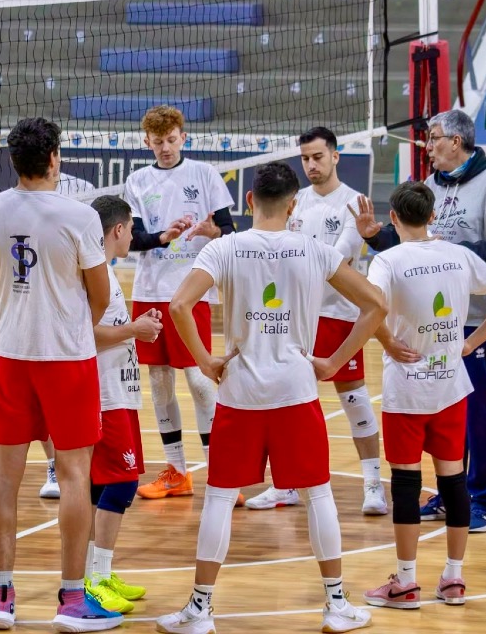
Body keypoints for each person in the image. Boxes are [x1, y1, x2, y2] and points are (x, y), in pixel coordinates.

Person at [157, 162, 384, 634]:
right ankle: (336, 605)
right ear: (294, 205)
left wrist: (203, 361)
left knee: (219, 498)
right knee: (317, 495)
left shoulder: (224, 247)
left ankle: (200, 610)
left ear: (248, 202)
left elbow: (179, 305)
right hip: (296, 392)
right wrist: (334, 363)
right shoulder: (314, 249)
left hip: (239, 392)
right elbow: (376, 304)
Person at [0, 117, 121, 631]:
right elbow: (100, 296)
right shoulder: (79, 215)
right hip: (66, 359)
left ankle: (0, 597)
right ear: (55, 158)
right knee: (76, 473)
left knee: (3, 475)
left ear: (13, 161)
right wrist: (71, 322)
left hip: (12, 355)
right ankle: (72, 599)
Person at [354, 108, 486, 532]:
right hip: (429, 322)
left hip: (473, 320)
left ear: (458, 140)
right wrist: (376, 235)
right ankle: (454, 495)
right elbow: (413, 243)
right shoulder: (430, 186)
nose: (426, 147)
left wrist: (458, 255)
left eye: (433, 138)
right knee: (445, 410)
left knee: (479, 409)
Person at [361, 182, 486, 608]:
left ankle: (407, 582)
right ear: (432, 216)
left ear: (393, 219)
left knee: (406, 486)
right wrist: (473, 343)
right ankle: (453, 579)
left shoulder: (388, 260)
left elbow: (370, 308)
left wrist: (388, 343)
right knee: (454, 484)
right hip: (451, 388)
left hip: (406, 392)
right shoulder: (460, 254)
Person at [248, 126, 385, 515]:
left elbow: (336, 258)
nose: (311, 165)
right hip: (295, 317)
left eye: (318, 157)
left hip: (338, 313)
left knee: (355, 399)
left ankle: (373, 486)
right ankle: (286, 484)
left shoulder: (354, 203)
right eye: (305, 158)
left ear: (336, 156)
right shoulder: (295, 202)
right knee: (287, 400)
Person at [124, 105, 236, 501]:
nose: (166, 148)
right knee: (158, 382)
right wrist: (161, 237)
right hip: (150, 291)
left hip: (192, 291)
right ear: (147, 143)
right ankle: (176, 470)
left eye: (172, 141)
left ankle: (223, 472)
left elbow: (230, 230)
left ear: (183, 137)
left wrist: (212, 231)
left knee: (200, 382)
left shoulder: (204, 175)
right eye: (159, 143)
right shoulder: (137, 180)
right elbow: (133, 238)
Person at [83, 195, 162, 613]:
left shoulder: (106, 270)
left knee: (106, 484)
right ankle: (95, 579)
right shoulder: (93, 271)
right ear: (117, 230)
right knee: (121, 482)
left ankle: (99, 572)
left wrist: (136, 327)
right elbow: (83, 332)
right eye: (131, 228)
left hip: (118, 390)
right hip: (104, 393)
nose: (134, 235)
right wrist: (135, 328)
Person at [36, 171, 102, 501]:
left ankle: (79, 466)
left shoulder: (82, 194)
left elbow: (100, 296)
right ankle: (54, 465)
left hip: (69, 336)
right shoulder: (4, 207)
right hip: (33, 333)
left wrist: (84, 330)